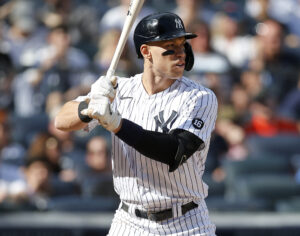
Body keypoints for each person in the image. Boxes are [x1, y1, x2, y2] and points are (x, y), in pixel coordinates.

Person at [55, 12, 217, 236]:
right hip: (129, 221)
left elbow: (175, 151)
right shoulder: (119, 89)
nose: (181, 53)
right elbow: (61, 121)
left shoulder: (200, 97)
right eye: (171, 45)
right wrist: (89, 106)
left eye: (183, 44)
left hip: (186, 221)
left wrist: (117, 124)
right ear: (146, 51)